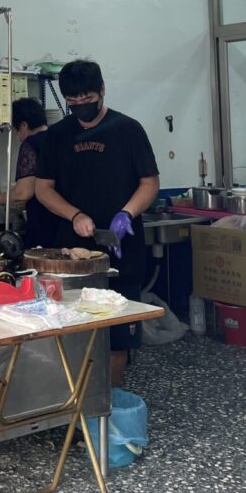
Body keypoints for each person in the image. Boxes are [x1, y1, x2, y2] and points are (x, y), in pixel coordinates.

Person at [35, 59, 159, 386]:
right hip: (71, 256)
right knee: (71, 330)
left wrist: (126, 213)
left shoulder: (128, 130)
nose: (81, 107)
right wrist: (74, 214)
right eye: (72, 102)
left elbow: (149, 183)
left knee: (117, 337)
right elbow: (42, 188)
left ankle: (109, 401)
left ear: (102, 90)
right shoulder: (57, 136)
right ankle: (76, 401)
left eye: (87, 99)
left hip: (121, 251)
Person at [0, 98, 60, 247]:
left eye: (16, 129)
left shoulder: (30, 144)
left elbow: (23, 193)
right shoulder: (57, 137)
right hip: (65, 221)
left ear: (24, 125)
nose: (16, 134)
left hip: (44, 222)